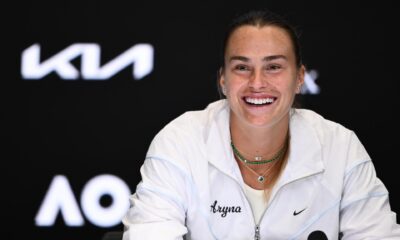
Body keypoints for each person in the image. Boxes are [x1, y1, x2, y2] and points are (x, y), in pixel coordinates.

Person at [122, 9, 400, 239]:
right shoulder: (179, 142)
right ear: (223, 79)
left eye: (274, 67)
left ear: (300, 77)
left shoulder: (341, 148)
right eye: (242, 67)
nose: (257, 83)